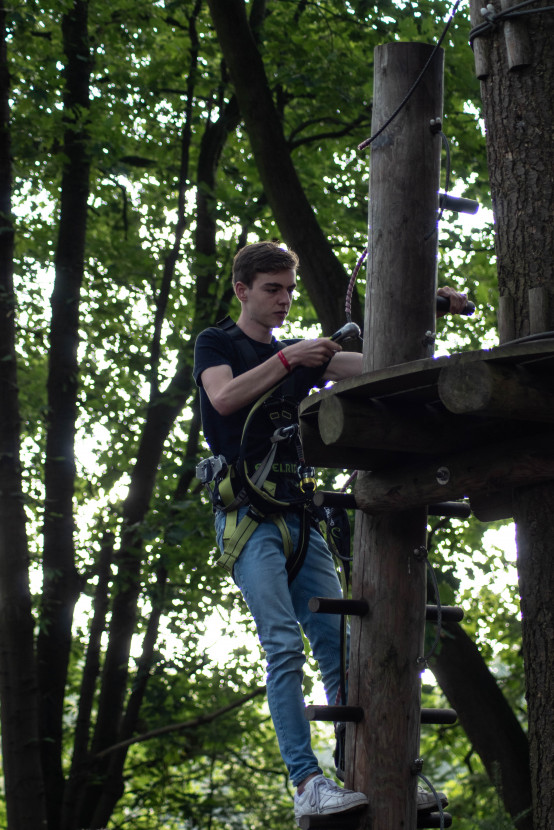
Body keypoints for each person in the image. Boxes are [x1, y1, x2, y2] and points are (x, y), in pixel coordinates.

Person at [193, 241, 467, 824]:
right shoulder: (219, 344)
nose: (284, 300)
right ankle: (305, 783)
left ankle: (371, 773)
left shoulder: (298, 352)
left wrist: (424, 314)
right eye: (272, 289)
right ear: (243, 290)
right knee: (283, 647)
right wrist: (291, 361)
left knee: (341, 651)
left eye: (290, 290)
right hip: (246, 520)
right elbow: (223, 397)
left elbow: (380, 363)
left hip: (299, 518)